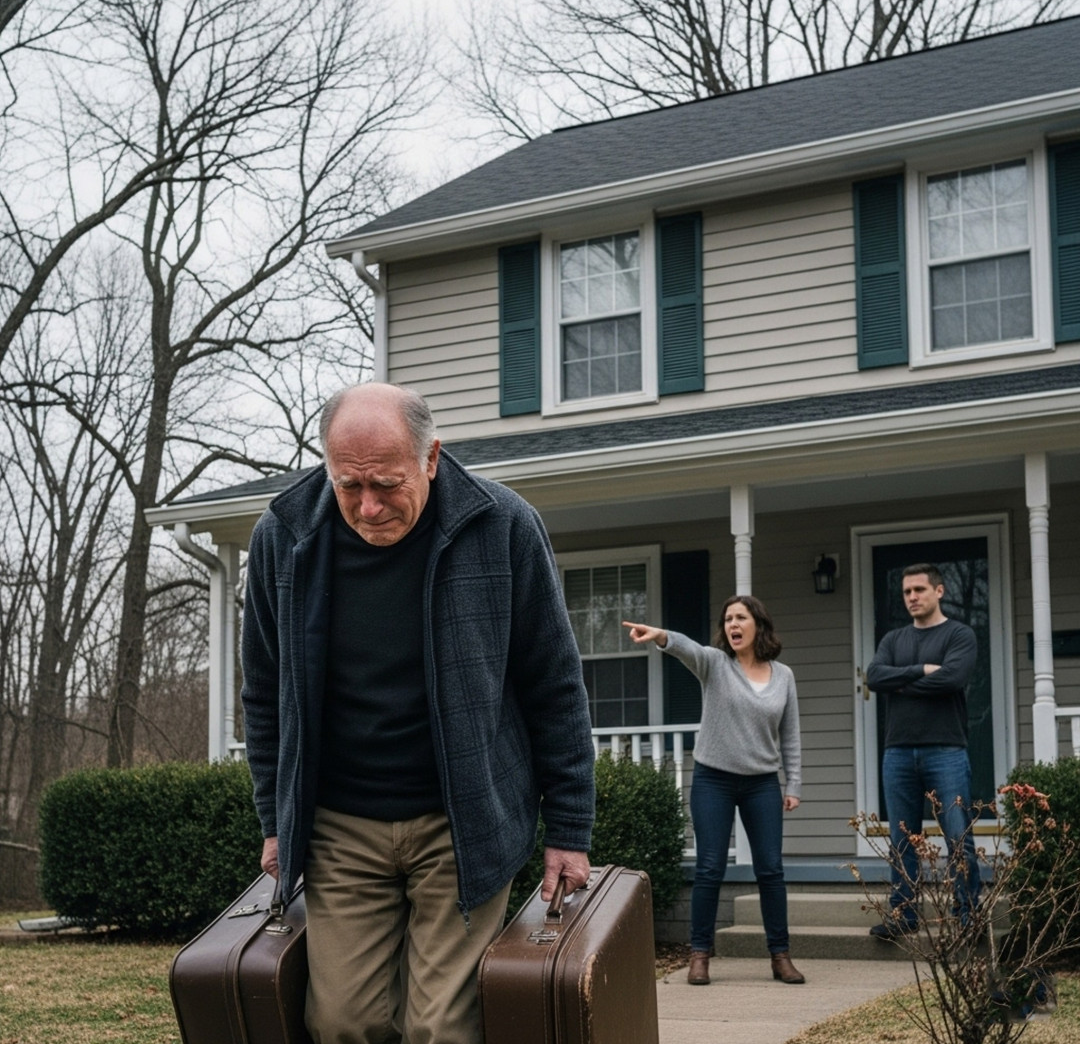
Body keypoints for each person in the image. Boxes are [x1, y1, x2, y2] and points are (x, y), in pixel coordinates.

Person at [241, 382, 595, 1044]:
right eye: (348, 485)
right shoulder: (282, 537)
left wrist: (569, 828)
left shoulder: (503, 526)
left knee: (441, 1028)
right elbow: (263, 694)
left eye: (386, 484)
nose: (368, 507)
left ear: (431, 458)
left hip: (463, 822)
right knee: (342, 1023)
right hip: (340, 825)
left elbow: (554, 683)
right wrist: (274, 821)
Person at [623, 594, 804, 986]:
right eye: (727, 619)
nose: (732, 625)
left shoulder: (783, 676)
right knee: (709, 867)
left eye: (741, 618)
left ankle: (780, 956)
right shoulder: (716, 664)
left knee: (771, 870)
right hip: (713, 781)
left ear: (759, 624)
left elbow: (790, 734)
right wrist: (661, 636)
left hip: (762, 783)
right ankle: (700, 955)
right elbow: (687, 648)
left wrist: (793, 783)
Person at [865, 562, 981, 939]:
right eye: (907, 592)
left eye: (919, 590)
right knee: (903, 839)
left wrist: (900, 683)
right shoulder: (893, 639)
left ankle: (967, 915)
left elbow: (953, 678)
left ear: (939, 591)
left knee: (958, 835)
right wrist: (923, 670)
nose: (912, 597)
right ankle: (904, 914)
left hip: (946, 749)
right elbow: (874, 676)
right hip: (898, 751)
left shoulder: (959, 634)